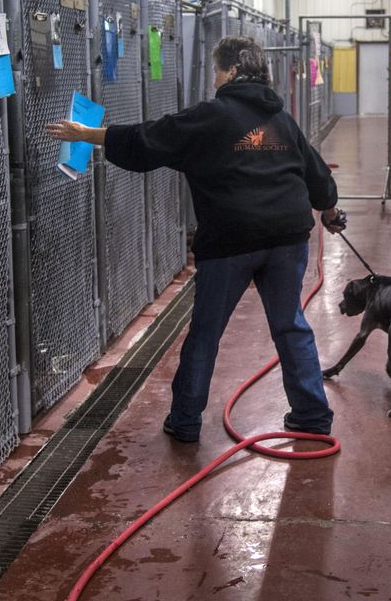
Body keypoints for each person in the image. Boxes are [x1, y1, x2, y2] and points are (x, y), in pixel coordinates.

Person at [46, 35, 345, 443]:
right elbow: (317, 177)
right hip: (288, 235)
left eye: (217, 70)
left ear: (233, 71)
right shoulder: (283, 120)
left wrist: (87, 134)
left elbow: (148, 139)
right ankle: (313, 415)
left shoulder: (212, 116)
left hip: (232, 238)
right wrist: (328, 210)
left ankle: (185, 421)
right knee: (290, 325)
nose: (215, 79)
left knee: (206, 330)